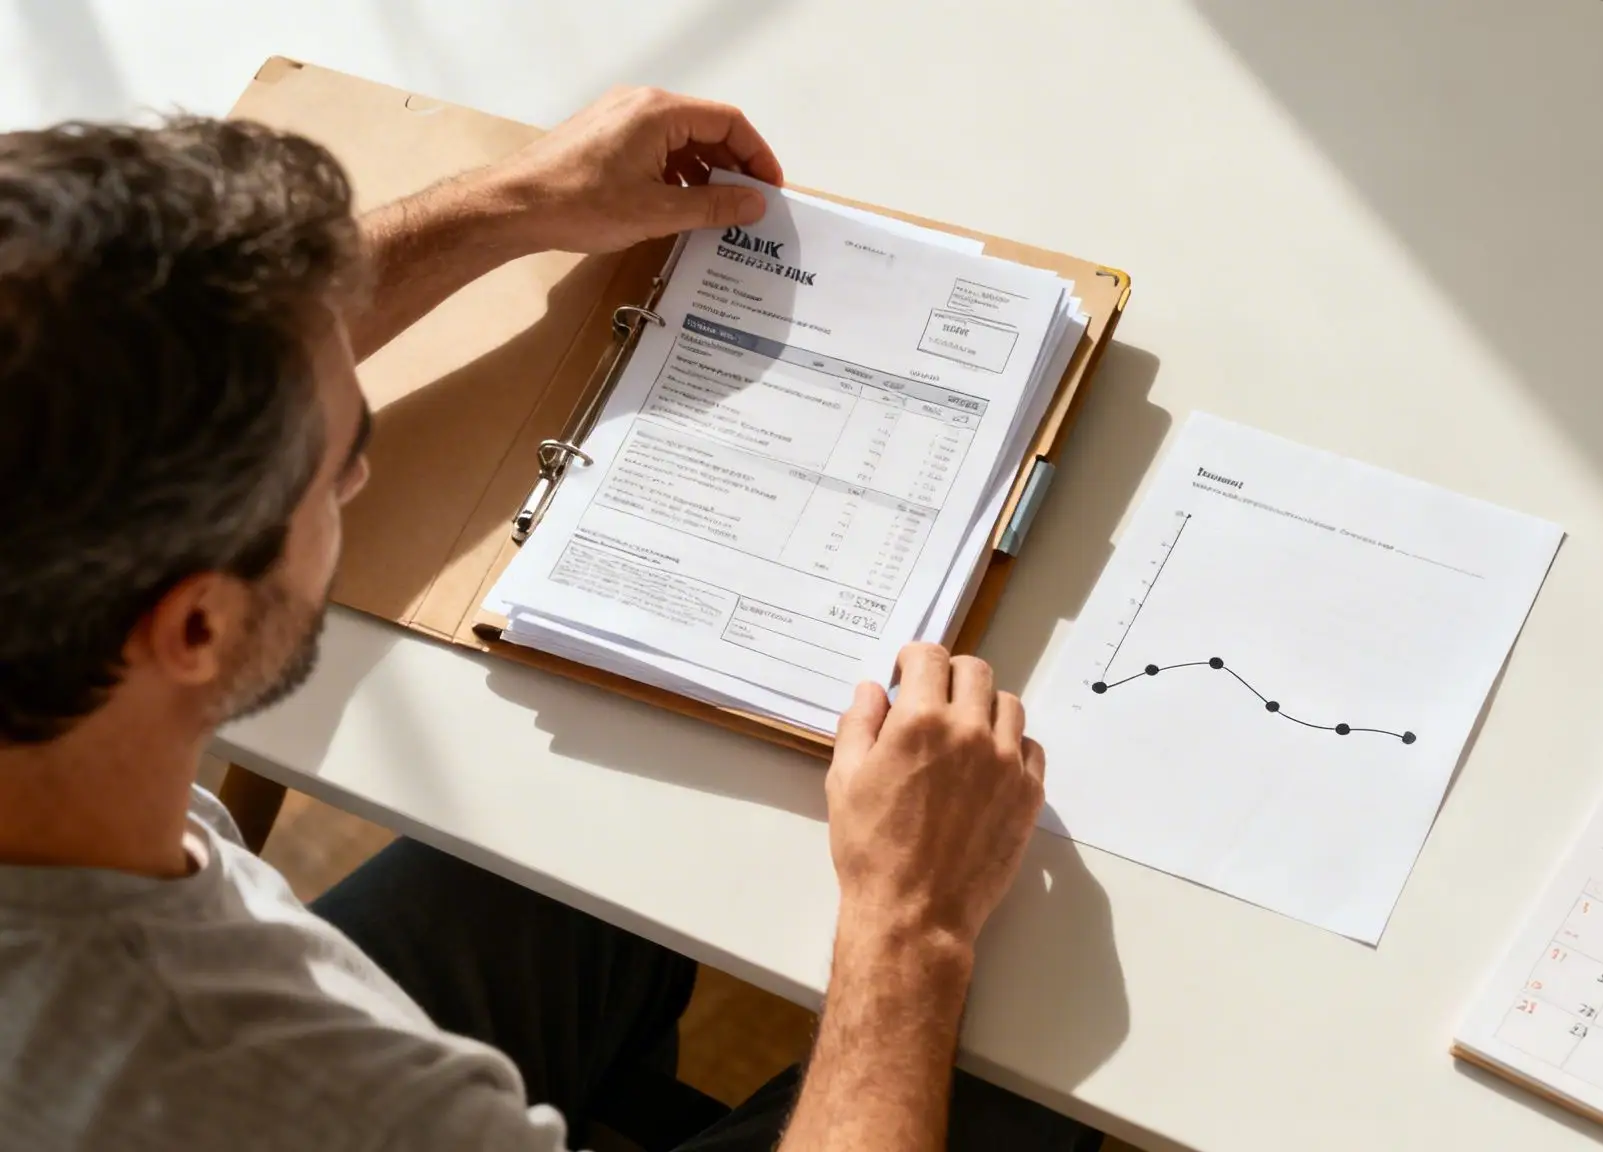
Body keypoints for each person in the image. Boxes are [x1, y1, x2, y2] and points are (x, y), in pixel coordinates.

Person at [0, 87, 1097, 1152]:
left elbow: (132, 351)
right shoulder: (296, 1090)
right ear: (192, 629)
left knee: (576, 862)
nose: (364, 470)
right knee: (1023, 1063)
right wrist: (912, 930)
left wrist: (508, 204)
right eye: (338, 464)